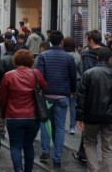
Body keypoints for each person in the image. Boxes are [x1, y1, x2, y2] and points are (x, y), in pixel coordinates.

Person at [76, 47, 112, 172]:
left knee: (90, 143)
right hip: (111, 117)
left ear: (97, 58)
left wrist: (79, 116)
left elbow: (81, 97)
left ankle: (93, 169)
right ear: (110, 59)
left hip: (91, 116)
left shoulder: (88, 74)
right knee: (108, 148)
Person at [0, 50, 47, 172]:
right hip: (32, 116)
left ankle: (18, 169)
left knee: (15, 146)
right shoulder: (36, 73)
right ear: (30, 60)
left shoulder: (8, 76)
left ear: (15, 60)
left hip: (14, 116)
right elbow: (45, 87)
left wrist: (3, 114)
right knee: (28, 145)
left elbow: (2, 98)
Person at [34, 30, 77, 169]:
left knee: (45, 124)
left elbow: (39, 76)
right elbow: (73, 77)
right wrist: (72, 91)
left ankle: (45, 151)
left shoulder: (43, 56)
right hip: (62, 96)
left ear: (49, 40)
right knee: (59, 128)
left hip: (47, 95)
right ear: (62, 41)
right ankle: (57, 158)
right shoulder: (69, 57)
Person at [63, 36, 81, 135]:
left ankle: (62, 125)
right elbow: (81, 70)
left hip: (64, 81)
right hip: (76, 81)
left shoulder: (63, 55)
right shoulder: (77, 55)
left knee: (63, 103)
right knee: (73, 105)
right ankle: (72, 127)